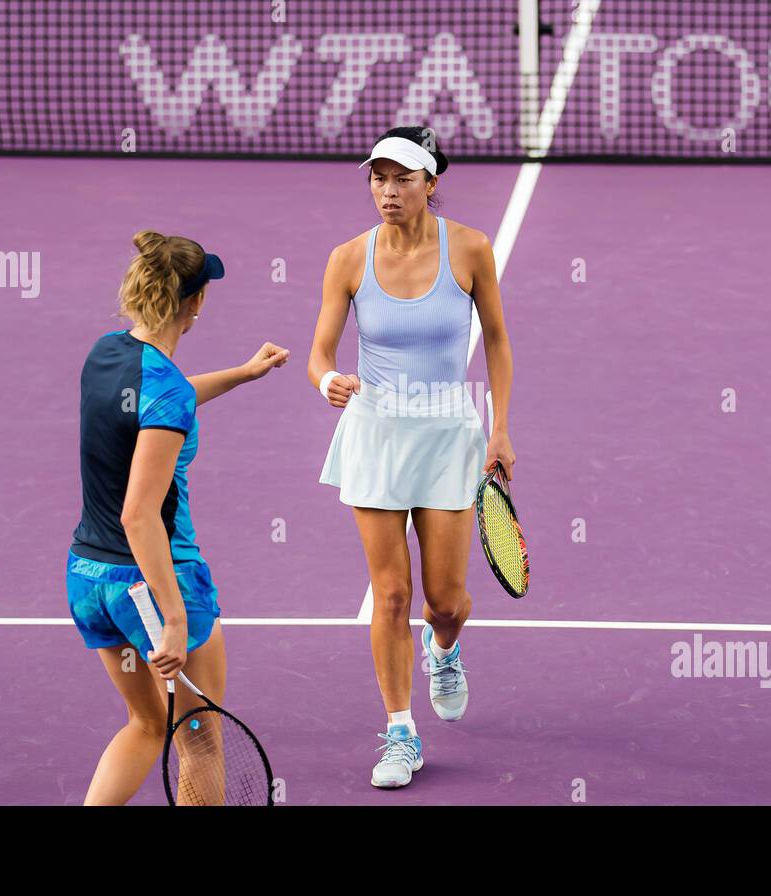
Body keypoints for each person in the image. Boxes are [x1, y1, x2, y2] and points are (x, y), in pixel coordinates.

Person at [307, 127, 517, 789]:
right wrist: (326, 381)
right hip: (375, 435)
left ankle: (445, 650)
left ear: (430, 182)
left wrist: (501, 429)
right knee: (390, 594)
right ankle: (400, 732)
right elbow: (320, 351)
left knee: (444, 601)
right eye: (378, 178)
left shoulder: (472, 248)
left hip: (449, 433)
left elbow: (499, 343)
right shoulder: (347, 258)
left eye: (402, 179)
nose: (387, 192)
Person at [67, 230, 288, 804]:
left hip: (89, 579)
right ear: (195, 304)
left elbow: (155, 401)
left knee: (146, 724)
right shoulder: (167, 393)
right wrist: (171, 618)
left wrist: (241, 374)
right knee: (201, 739)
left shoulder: (104, 354)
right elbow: (139, 515)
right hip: (155, 582)